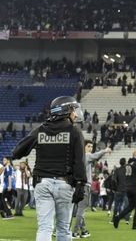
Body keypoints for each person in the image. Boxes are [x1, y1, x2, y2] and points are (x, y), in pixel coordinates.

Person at [12, 95, 87, 241]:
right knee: (63, 229)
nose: (76, 114)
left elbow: (17, 152)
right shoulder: (75, 131)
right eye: (73, 110)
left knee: (45, 228)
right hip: (64, 183)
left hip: (42, 183)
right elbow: (80, 161)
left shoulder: (40, 130)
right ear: (66, 111)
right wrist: (81, 184)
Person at [72, 141, 111, 238]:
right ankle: (75, 231)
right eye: (88, 146)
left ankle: (84, 230)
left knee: (80, 209)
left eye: (91, 147)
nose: (90, 148)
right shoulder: (87, 156)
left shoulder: (77, 157)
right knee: (81, 209)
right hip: (85, 185)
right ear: (83, 147)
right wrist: (105, 150)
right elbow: (96, 156)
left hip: (77, 185)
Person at [111, 150, 136, 230]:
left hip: (128, 188)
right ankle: (135, 225)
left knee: (130, 206)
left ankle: (118, 217)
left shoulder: (128, 164)